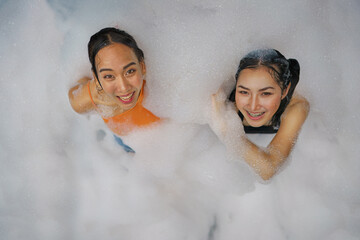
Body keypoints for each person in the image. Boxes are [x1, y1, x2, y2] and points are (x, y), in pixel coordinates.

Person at [209, 49, 309, 180]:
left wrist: (226, 131)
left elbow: (269, 169)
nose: (253, 106)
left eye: (265, 93)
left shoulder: (296, 106)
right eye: (244, 92)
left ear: (285, 90)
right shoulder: (223, 99)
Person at [68, 27, 160, 152]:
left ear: (142, 66)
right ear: (96, 78)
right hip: (127, 144)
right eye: (109, 76)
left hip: (168, 139)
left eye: (130, 71)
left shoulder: (162, 84)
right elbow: (74, 96)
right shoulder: (95, 98)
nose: (123, 88)